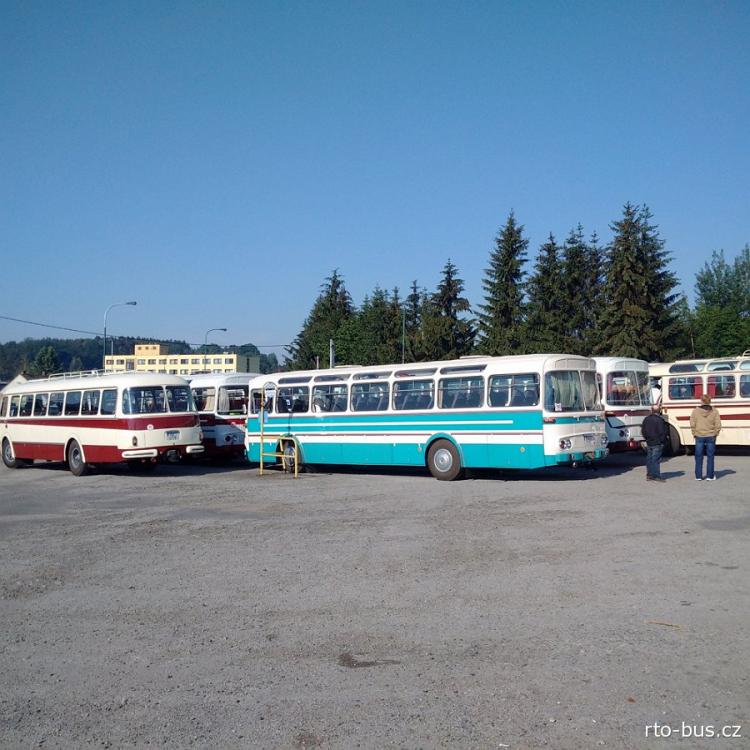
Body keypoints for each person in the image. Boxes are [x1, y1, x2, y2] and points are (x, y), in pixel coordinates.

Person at [690, 394, 722, 481]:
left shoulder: (695, 411)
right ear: (709, 401)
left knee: (698, 456)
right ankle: (710, 476)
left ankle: (698, 476)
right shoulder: (714, 411)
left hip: (699, 435)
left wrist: (694, 432)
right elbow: (718, 424)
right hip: (711, 435)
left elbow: (692, 423)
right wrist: (715, 433)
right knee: (710, 457)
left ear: (702, 401)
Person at [641, 405, 668, 482]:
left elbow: (643, 431)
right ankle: (656, 476)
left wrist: (647, 438)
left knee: (649, 458)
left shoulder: (646, 419)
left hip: (649, 442)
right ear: (659, 410)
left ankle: (649, 475)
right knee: (656, 459)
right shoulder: (660, 420)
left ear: (651, 410)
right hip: (657, 442)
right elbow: (662, 432)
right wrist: (662, 441)